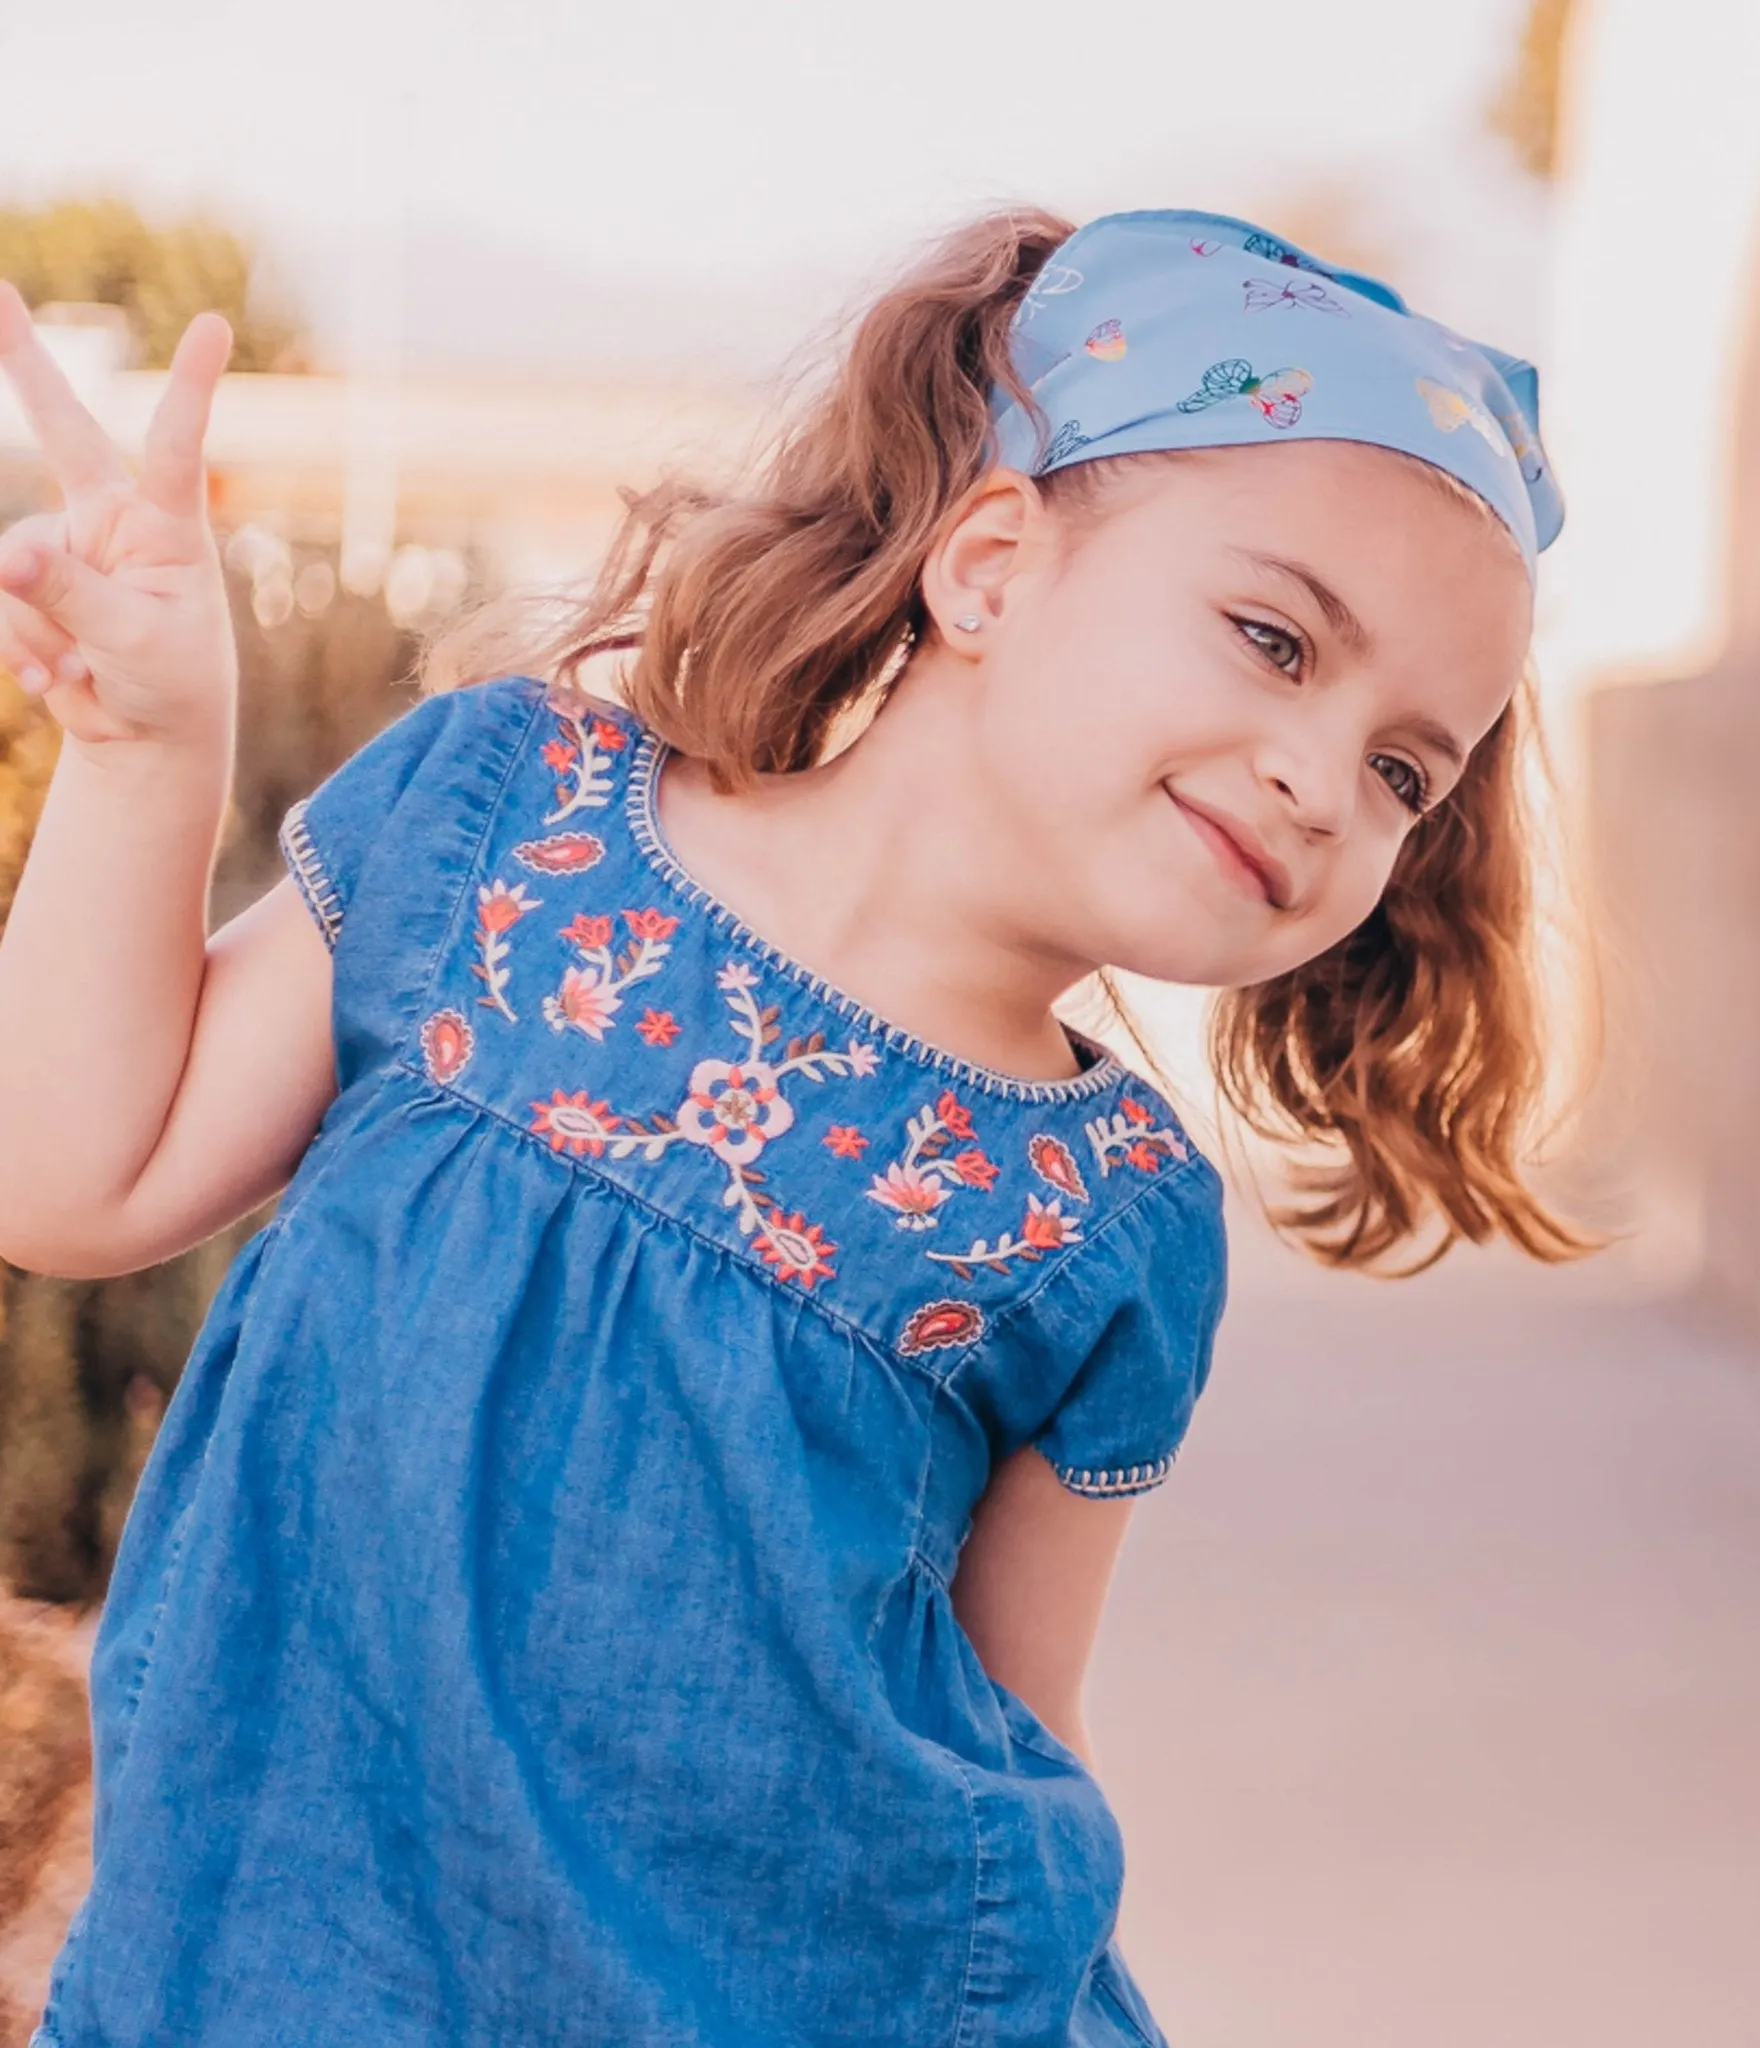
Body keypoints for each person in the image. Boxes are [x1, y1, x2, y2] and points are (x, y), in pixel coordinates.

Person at [0, 206, 1590, 2046]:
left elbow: (1012, 1714)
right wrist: (144, 752)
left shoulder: (1105, 1214)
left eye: (1410, 769)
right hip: (277, 1976)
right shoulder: (507, 822)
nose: (1330, 781)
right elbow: (68, 1177)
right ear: (989, 562)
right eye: (1273, 639)